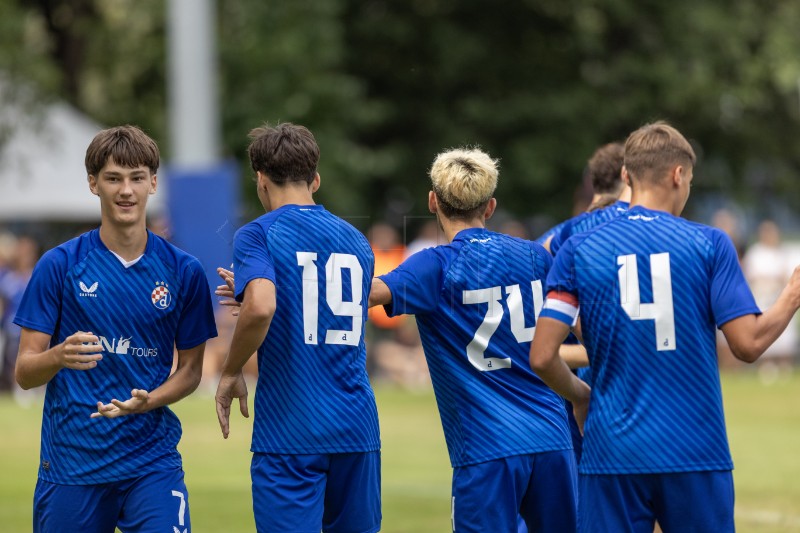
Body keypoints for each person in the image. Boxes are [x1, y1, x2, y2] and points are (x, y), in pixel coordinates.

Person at [530, 121, 800, 532]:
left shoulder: (579, 248)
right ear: (678, 175)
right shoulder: (708, 243)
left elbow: (542, 355)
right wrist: (792, 295)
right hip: (694, 449)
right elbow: (748, 344)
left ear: (625, 175)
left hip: (611, 451)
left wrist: (581, 394)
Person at [13, 125, 217, 533]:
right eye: (113, 178)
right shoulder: (60, 265)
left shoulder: (184, 271)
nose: (126, 190)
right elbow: (23, 372)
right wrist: (58, 355)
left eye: (137, 178)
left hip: (150, 459)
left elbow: (192, 370)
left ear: (153, 183)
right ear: (93, 184)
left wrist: (150, 400)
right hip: (73, 461)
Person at [370, 147, 577, 532]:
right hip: (553, 438)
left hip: (486, 446)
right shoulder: (535, 256)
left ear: (433, 201)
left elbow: (365, 294)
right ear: (491, 206)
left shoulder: (433, 264)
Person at [214, 123, 381, 533]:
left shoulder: (257, 233)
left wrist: (231, 371)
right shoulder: (357, 240)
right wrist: (256, 291)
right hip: (356, 427)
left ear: (260, 180)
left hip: (291, 428)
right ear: (316, 179)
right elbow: (318, 303)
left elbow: (261, 308)